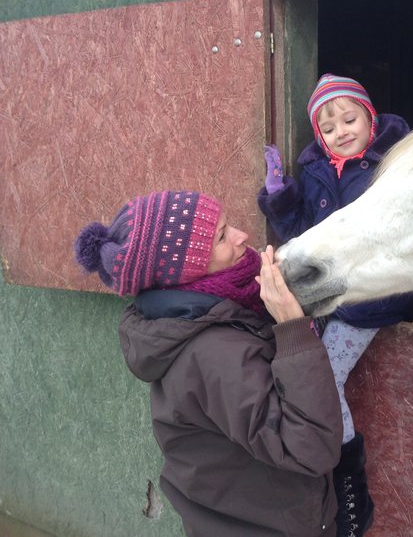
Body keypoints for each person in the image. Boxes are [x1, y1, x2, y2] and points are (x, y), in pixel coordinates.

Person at [74, 190, 342, 537]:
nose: (241, 236)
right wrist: (293, 330)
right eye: (221, 236)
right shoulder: (213, 352)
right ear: (185, 273)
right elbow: (310, 447)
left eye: (228, 225)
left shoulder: (202, 317)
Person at [258, 73, 413, 537]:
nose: (342, 131)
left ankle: (347, 478)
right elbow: (300, 233)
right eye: (329, 128)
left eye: (350, 119)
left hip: (368, 300)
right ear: (319, 137)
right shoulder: (318, 173)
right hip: (329, 301)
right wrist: (279, 195)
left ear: (370, 118)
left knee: (323, 375)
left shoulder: (391, 168)